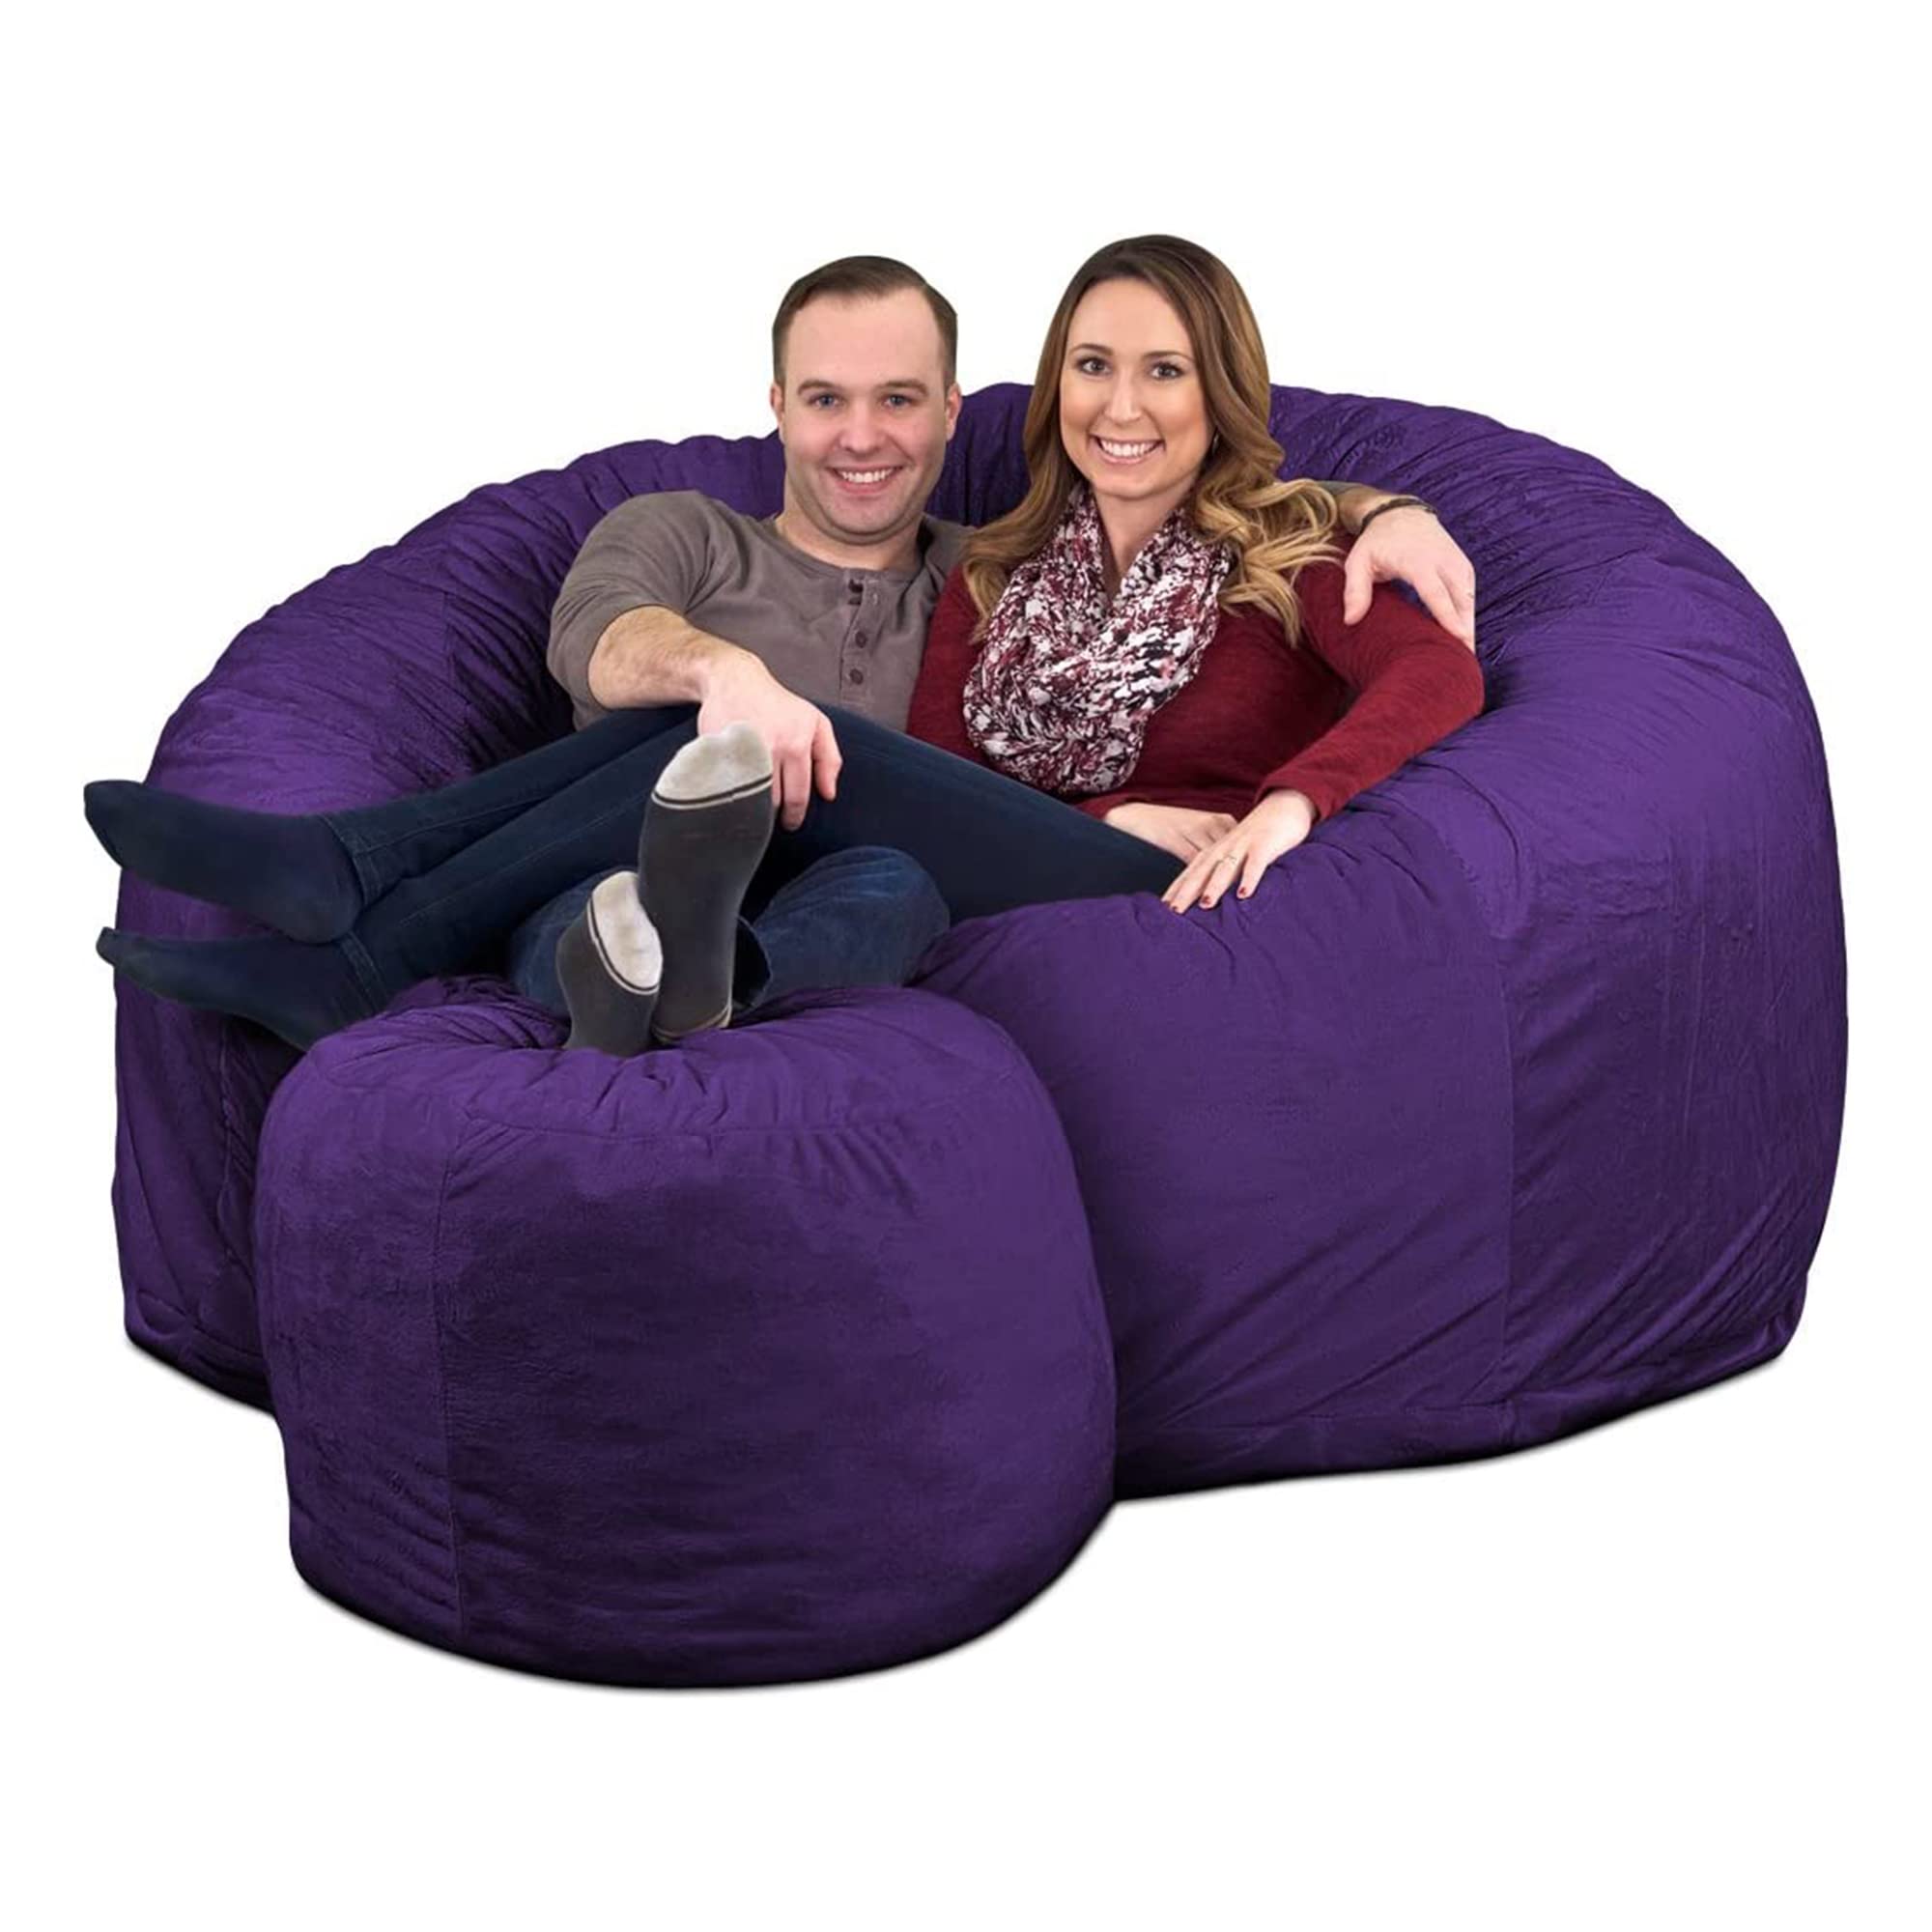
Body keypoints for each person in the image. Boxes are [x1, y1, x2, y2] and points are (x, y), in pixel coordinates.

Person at [85, 247, 1480, 1055]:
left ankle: (356, 892)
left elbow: (1442, 677)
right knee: (773, 772)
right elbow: (949, 770)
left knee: (766, 752)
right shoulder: (999, 569)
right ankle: (625, 970)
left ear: (1219, 389)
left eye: (1165, 369)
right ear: (1052, 390)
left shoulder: (1292, 550)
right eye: (1094, 367)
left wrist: (1290, 804)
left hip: (1171, 891)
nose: (1123, 404)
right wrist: (1105, 807)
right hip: (1040, 858)